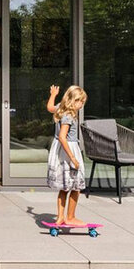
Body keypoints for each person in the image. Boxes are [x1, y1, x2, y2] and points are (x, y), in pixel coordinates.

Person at [47, 85, 88, 226]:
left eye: (83, 102)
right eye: (80, 101)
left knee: (65, 187)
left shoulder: (60, 108)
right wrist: (73, 158)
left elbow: (50, 108)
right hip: (69, 151)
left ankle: (60, 217)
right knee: (76, 186)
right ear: (72, 100)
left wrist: (53, 94)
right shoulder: (69, 116)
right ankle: (70, 217)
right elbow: (62, 137)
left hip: (60, 151)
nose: (81, 104)